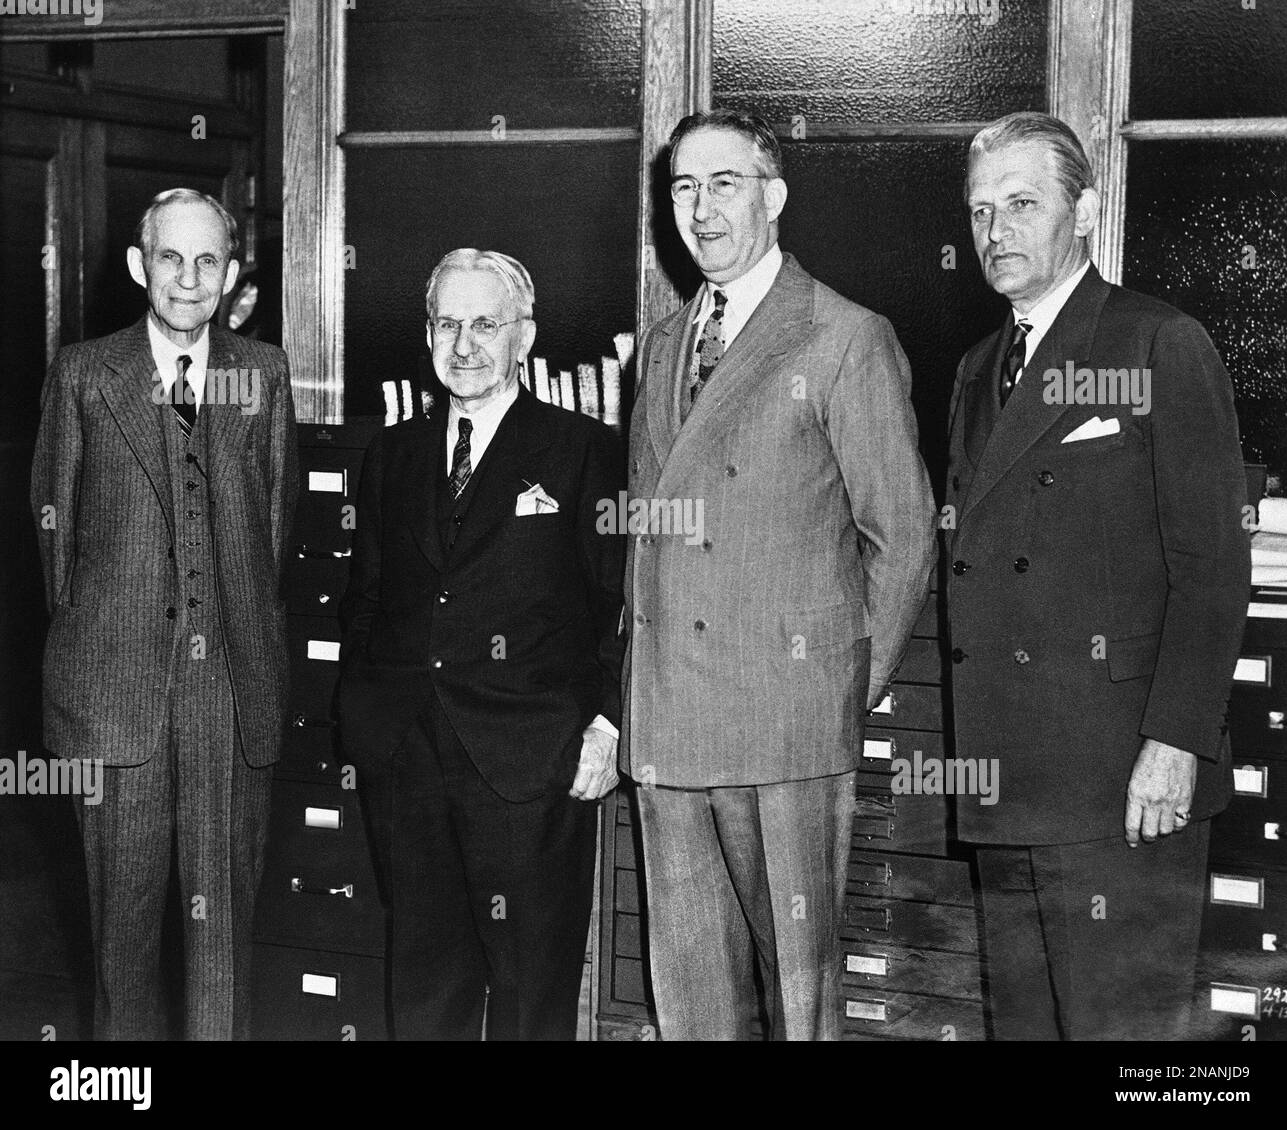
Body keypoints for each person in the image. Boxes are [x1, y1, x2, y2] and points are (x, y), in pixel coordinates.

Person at [621, 109, 937, 1040]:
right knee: (692, 1004)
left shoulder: (843, 336)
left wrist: (838, 688)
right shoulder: (666, 342)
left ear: (775, 197)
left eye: (725, 184)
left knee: (800, 1003)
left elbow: (905, 535)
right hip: (674, 723)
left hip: (787, 726)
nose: (702, 208)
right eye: (683, 187)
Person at [947, 111, 1251, 1040]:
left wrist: (1175, 743)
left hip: (1121, 782)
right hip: (1006, 783)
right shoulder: (971, 371)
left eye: (1022, 204)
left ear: (1084, 212)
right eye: (980, 210)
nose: (995, 232)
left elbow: (1211, 564)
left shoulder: (1158, 342)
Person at [30, 187, 298, 1040]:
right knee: (123, 948)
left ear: (229, 276)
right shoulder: (83, 373)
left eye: (208, 260)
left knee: (223, 953)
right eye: (172, 259)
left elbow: (274, 530)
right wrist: (107, 640)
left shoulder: (263, 374)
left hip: (229, 695)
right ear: (141, 266)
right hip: (115, 698)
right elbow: (57, 540)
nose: (189, 278)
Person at [338, 249, 625, 1040]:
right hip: (409, 758)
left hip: (529, 762)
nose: (465, 345)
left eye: (486, 324)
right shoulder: (393, 454)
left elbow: (623, 605)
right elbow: (366, 601)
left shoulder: (584, 451)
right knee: (425, 987)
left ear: (524, 336)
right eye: (447, 323)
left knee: (532, 994)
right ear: (427, 333)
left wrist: (608, 726)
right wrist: (368, 717)